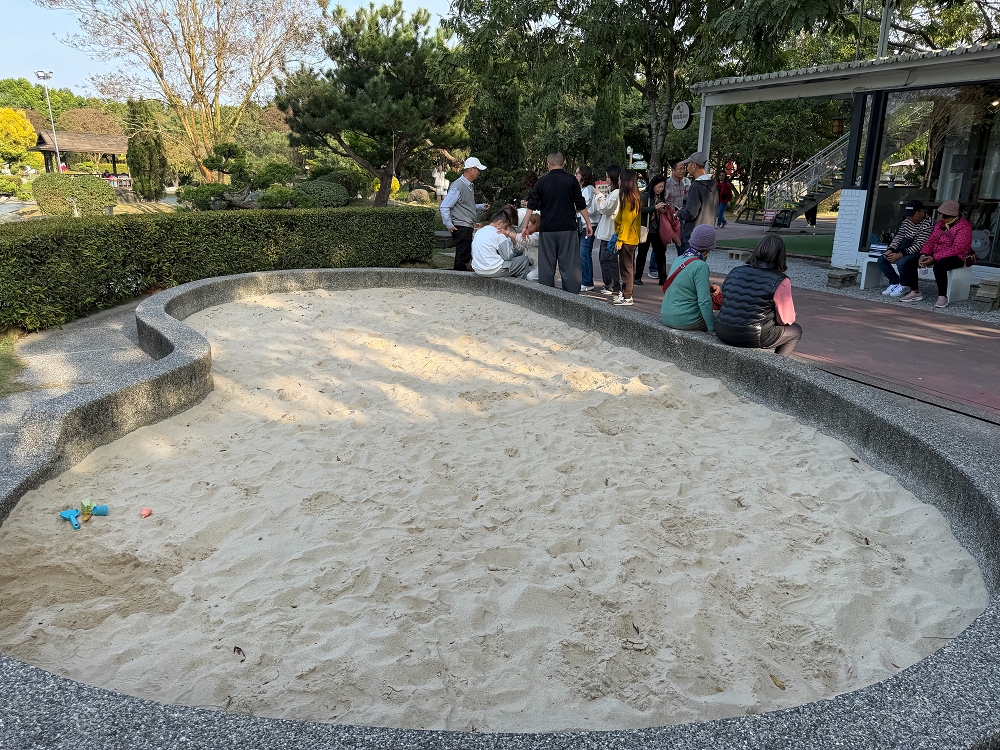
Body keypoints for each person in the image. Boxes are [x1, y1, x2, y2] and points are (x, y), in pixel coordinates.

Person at [715, 235, 802, 357]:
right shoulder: (781, 280)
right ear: (780, 256)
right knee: (796, 331)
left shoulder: (735, 271)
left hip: (722, 330)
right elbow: (786, 320)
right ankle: (776, 364)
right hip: (754, 336)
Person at [522, 152, 592, 293]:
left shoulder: (542, 182)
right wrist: (588, 223)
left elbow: (531, 205)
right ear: (564, 163)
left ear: (548, 164)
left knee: (546, 266)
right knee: (570, 265)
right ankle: (571, 296)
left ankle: (548, 296)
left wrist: (524, 227)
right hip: (568, 228)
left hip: (547, 229)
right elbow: (580, 204)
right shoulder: (571, 180)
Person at [900, 199, 973, 308]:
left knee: (939, 266)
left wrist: (934, 257)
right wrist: (924, 254)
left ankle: (942, 296)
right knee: (910, 262)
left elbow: (957, 249)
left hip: (956, 256)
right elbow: (931, 240)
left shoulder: (964, 227)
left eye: (942, 215)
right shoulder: (940, 224)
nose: (940, 217)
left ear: (951, 216)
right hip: (936, 253)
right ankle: (915, 291)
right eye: (940, 214)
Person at [661, 224, 719, 333]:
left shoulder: (679, 259)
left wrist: (709, 284)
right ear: (708, 249)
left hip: (666, 316)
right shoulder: (701, 266)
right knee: (722, 317)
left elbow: (686, 279)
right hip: (685, 319)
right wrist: (712, 329)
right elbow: (704, 301)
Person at [440, 157, 490, 272]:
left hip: (465, 226)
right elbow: (444, 206)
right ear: (471, 169)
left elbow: (466, 206)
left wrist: (481, 207)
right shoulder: (459, 186)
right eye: (478, 169)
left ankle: (458, 279)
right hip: (462, 227)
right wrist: (449, 224)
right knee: (462, 258)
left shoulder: (467, 185)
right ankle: (459, 280)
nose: (479, 172)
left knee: (464, 256)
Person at [878, 199, 934, 297]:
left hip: (920, 252)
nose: (910, 218)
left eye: (912, 215)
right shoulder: (907, 221)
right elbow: (899, 236)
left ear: (921, 212)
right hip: (904, 248)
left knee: (903, 262)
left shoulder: (928, 223)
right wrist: (891, 250)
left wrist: (900, 254)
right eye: (908, 215)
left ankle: (905, 284)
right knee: (882, 259)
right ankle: (895, 282)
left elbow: (920, 245)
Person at [676, 151, 718, 251]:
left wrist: (680, 213)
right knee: (701, 260)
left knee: (692, 260)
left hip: (694, 234)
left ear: (694, 166)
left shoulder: (696, 186)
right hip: (708, 232)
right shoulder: (713, 185)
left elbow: (691, 213)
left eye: (688, 164)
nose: (687, 168)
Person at [472, 208, 530, 278]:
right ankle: (520, 284)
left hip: (477, 269)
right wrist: (508, 236)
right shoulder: (498, 233)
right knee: (524, 260)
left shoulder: (480, 231)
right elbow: (508, 256)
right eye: (506, 226)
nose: (507, 228)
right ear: (499, 223)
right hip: (493, 270)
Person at [612, 169, 641, 306]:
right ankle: (625, 293)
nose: (618, 181)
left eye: (620, 179)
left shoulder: (629, 199)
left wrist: (620, 240)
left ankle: (627, 296)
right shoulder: (633, 197)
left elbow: (626, 222)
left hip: (627, 239)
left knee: (626, 268)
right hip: (630, 238)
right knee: (626, 267)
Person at [635, 174, 670, 286]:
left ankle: (663, 278)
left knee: (661, 254)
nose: (660, 189)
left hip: (657, 230)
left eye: (662, 187)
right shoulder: (646, 195)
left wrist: (663, 210)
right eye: (659, 187)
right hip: (646, 229)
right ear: (653, 185)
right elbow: (640, 209)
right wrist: (654, 207)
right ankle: (637, 277)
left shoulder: (661, 198)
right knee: (642, 254)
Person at [594, 165, 621, 296]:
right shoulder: (616, 192)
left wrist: (599, 196)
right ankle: (612, 284)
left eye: (608, 177)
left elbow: (605, 208)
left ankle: (611, 285)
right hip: (610, 231)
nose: (606, 180)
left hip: (609, 232)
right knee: (609, 260)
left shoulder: (616, 193)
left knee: (607, 260)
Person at [575, 165, 598, 291]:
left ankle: (587, 281)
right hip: (583, 225)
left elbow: (585, 206)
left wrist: (577, 208)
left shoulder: (588, 189)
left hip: (588, 225)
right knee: (582, 253)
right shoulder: (583, 189)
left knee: (584, 253)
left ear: (583, 175)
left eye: (577, 173)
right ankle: (584, 279)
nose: (575, 175)